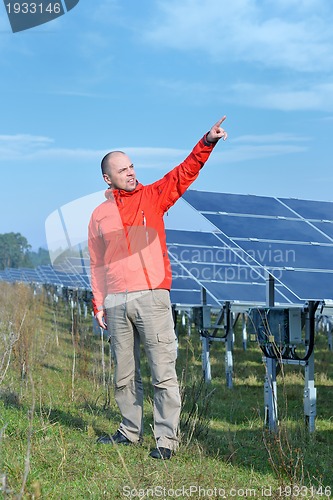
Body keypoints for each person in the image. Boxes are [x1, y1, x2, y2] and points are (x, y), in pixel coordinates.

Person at [88, 117, 228, 459]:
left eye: (132, 166)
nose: (131, 172)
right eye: (123, 170)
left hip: (152, 297)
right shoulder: (99, 215)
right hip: (117, 301)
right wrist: (99, 302)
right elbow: (96, 262)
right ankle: (129, 430)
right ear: (108, 178)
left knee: (162, 372)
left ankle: (166, 440)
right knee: (125, 373)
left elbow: (183, 174)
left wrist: (207, 142)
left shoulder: (154, 196)